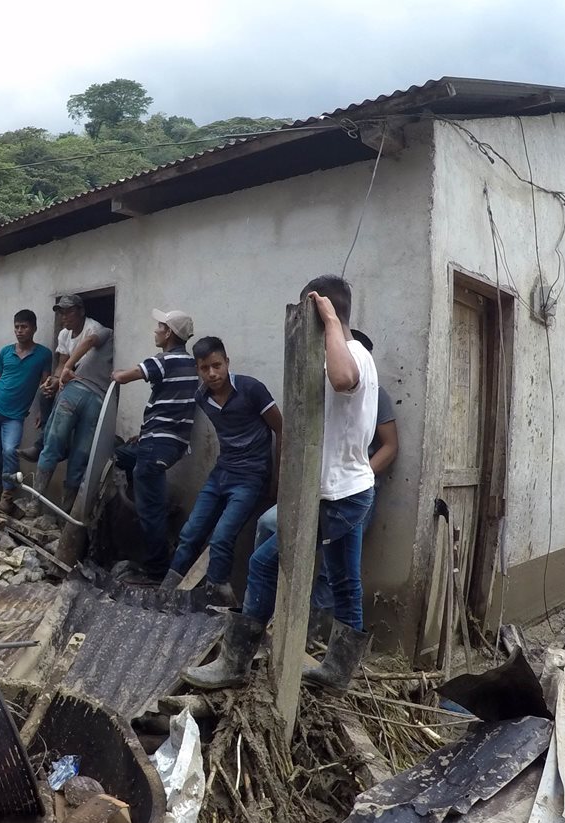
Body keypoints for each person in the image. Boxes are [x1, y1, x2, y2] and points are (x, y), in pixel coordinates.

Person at [187, 276, 379, 692]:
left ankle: (234, 665)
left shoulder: (351, 354)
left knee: (261, 562)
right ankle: (337, 672)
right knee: (346, 581)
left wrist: (327, 319)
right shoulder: (354, 352)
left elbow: (343, 379)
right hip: (347, 489)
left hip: (339, 496)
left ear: (322, 308)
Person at [252, 328, 398, 639]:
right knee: (267, 528)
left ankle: (312, 638)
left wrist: (360, 476)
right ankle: (275, 618)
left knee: (333, 576)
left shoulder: (372, 392)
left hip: (351, 491)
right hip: (317, 490)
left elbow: (390, 446)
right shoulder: (323, 389)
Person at [158, 337, 283, 594]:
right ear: (197, 369)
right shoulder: (202, 397)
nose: (212, 373)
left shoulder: (251, 389)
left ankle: (216, 599)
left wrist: (277, 481)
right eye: (205, 368)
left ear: (227, 362)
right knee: (190, 533)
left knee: (222, 538)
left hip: (251, 477)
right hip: (222, 472)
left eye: (217, 365)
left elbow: (281, 429)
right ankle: (167, 593)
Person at [111, 309, 199, 580]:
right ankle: (142, 497)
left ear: (169, 333)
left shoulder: (165, 360)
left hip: (155, 446)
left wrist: (115, 374)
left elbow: (125, 377)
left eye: (159, 326)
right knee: (122, 456)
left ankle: (155, 570)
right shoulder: (189, 363)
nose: (156, 331)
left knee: (151, 513)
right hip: (170, 444)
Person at [28, 295, 114, 517]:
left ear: (81, 311)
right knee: (56, 443)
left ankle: (63, 512)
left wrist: (66, 368)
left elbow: (88, 342)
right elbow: (60, 367)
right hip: (74, 392)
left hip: (91, 395)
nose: (64, 316)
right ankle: (36, 504)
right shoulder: (64, 334)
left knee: (79, 454)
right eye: (61, 312)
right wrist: (55, 380)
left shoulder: (98, 329)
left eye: (69, 311)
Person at [0, 310, 54, 513]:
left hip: (15, 415)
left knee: (10, 451)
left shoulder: (43, 354)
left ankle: (7, 498)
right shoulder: (6, 352)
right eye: (16, 326)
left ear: (34, 328)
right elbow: (0, 380)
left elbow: (45, 384)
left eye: (24, 327)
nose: (19, 331)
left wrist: (42, 411)